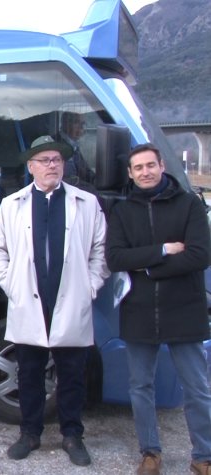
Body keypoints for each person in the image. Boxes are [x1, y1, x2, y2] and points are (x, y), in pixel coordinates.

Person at [0, 135, 109, 466]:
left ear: (64, 164)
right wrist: (13, 286)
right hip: (29, 303)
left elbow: (100, 251)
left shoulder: (86, 203)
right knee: (29, 374)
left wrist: (90, 287)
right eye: (44, 160)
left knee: (71, 376)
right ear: (31, 167)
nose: (51, 165)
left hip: (71, 304)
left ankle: (72, 435)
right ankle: (29, 434)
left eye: (56, 159)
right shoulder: (13, 204)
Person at [105, 143, 211, 475]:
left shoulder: (189, 204)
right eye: (138, 168)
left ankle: (203, 456)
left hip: (184, 308)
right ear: (130, 173)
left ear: (162, 166)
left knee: (196, 387)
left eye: (150, 165)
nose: (145, 172)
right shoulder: (123, 212)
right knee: (140, 386)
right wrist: (164, 251)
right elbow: (116, 258)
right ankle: (150, 452)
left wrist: (148, 268)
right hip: (138, 310)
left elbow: (199, 255)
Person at [59, 111, 95, 185]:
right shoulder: (56, 145)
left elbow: (87, 173)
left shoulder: (74, 146)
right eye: (77, 123)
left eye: (83, 124)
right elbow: (68, 178)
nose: (81, 127)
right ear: (66, 124)